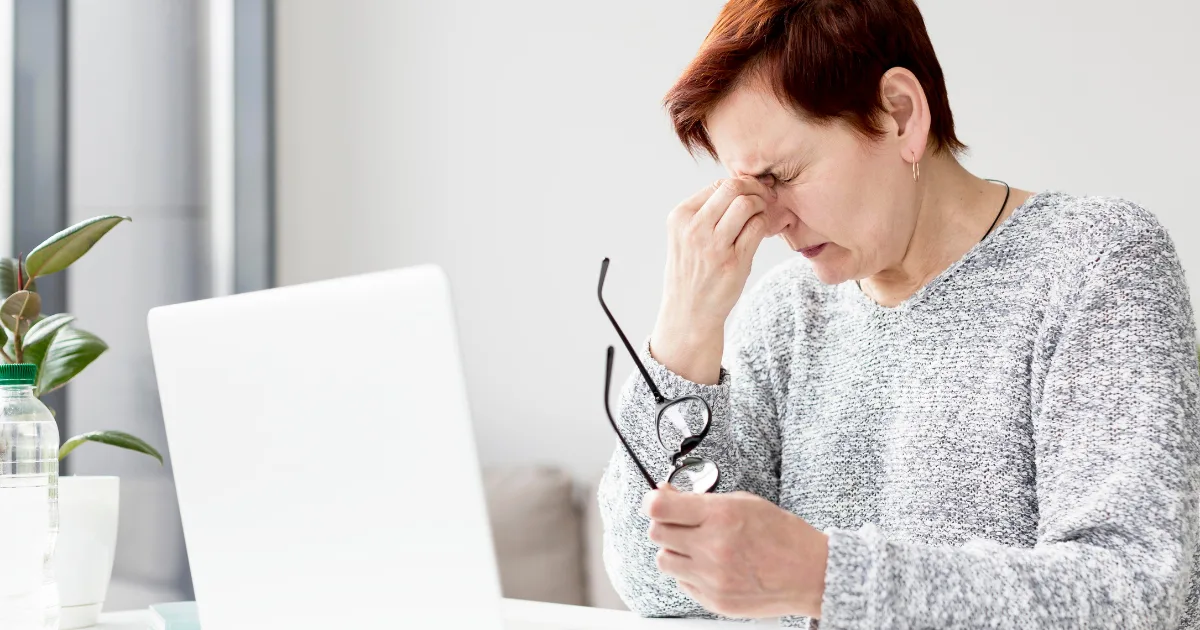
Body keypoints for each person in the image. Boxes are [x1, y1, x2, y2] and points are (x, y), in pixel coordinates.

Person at [596, 1, 1200, 628]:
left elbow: (1134, 589)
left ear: (901, 114)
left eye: (784, 176)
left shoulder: (1095, 262)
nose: (770, 223)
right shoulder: (783, 315)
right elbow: (659, 590)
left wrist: (823, 576)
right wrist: (683, 335)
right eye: (748, 190)